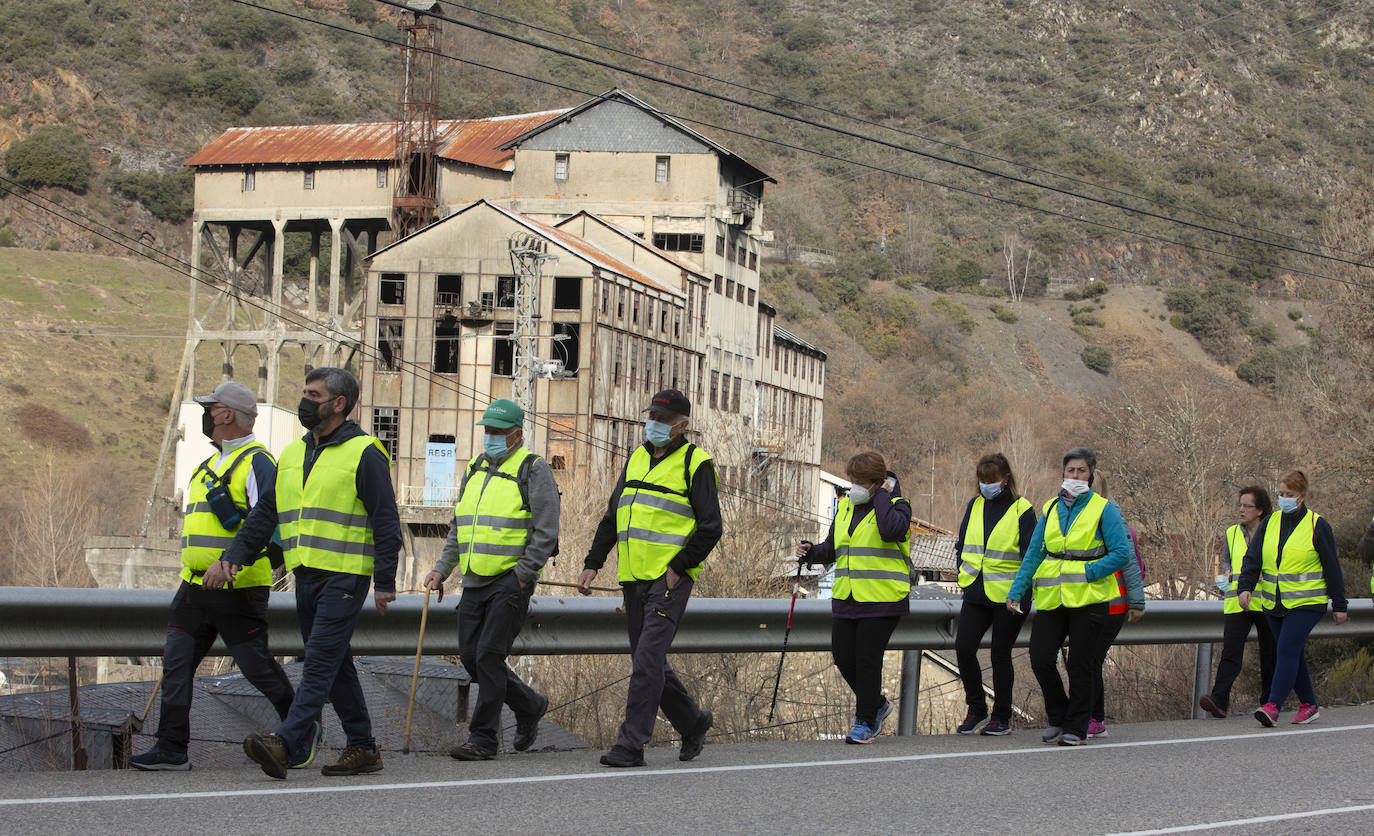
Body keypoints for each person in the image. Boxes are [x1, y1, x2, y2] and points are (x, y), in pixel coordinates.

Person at [215, 367, 403, 779]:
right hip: (307, 574)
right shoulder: (293, 452)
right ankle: (362, 747)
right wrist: (236, 553)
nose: (305, 401)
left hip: (346, 575)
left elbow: (386, 520)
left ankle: (287, 740)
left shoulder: (364, 452)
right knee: (335, 663)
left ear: (338, 404)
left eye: (313, 394)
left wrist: (385, 581)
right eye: (304, 392)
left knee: (318, 660)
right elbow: (267, 512)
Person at [130, 381, 299, 771]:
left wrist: (230, 565)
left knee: (256, 667)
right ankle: (172, 748)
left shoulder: (259, 462)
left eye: (211, 408)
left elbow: (271, 527)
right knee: (176, 664)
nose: (206, 414)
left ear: (226, 415)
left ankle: (300, 729)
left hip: (237, 588)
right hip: (192, 587)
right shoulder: (209, 464)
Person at [577, 389, 722, 768]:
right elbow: (613, 517)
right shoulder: (638, 457)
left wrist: (679, 567)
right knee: (649, 661)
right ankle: (692, 722)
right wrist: (593, 562)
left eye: (663, 419)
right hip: (633, 577)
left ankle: (631, 745)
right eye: (652, 416)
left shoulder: (697, 463)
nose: (654, 424)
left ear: (682, 425)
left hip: (668, 579)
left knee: (646, 662)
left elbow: (711, 527)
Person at [423, 399, 558, 760]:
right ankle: (529, 704)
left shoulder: (534, 469)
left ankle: (483, 739)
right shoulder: (476, 467)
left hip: (509, 582)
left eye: (498, 432)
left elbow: (546, 532)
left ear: (517, 433)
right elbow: (459, 525)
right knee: (471, 657)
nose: (491, 437)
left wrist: (522, 576)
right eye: (487, 431)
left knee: (488, 655)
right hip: (473, 579)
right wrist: (442, 568)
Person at [1007, 447, 1134, 746]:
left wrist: (1090, 572)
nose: (1075, 476)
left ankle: (1077, 727)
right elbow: (1035, 553)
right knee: (1039, 658)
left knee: (1081, 664)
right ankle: (1059, 716)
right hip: (1053, 597)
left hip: (1089, 598)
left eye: (1081, 471)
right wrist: (1017, 590)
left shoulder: (1104, 509)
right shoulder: (1050, 507)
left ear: (1090, 475)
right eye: (1070, 471)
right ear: (1063, 473)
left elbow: (1121, 554)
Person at [798, 451, 913, 744]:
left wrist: (884, 496)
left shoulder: (899, 507)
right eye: (852, 481)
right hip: (847, 597)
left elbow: (889, 531)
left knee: (866, 659)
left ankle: (865, 722)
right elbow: (833, 547)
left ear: (878, 482)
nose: (854, 487)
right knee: (842, 657)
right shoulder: (847, 507)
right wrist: (811, 552)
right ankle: (876, 704)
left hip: (883, 598)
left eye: (860, 481)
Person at [1237, 471, 1347, 727]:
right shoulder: (1270, 523)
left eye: (1290, 495)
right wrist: (1246, 588)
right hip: (1274, 602)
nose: (1284, 499)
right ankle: (1308, 705)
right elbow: (1253, 559)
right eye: (1281, 494)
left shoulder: (1317, 525)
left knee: (1285, 649)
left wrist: (1339, 604)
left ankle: (1272, 706)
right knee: (1291, 653)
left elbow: (1332, 567)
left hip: (1307, 603)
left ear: (1302, 496)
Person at [951, 453, 1035, 736]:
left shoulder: (1022, 509)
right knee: (963, 648)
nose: (986, 485)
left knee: (1000, 654)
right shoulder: (975, 505)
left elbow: (1029, 556)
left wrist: (1020, 594)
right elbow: (962, 545)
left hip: (1009, 596)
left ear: (1005, 479)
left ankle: (1001, 717)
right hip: (975, 591)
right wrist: (962, 573)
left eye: (991, 480)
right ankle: (976, 709)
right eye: (982, 480)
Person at [1199, 486, 1277, 719]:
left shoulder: (1273, 532)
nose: (1241, 510)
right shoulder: (1232, 533)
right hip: (1237, 603)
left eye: (1247, 506)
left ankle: (1269, 703)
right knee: (1230, 654)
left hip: (1266, 602)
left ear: (1260, 510)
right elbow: (1226, 563)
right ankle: (1218, 700)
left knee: (1269, 654)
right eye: (1240, 505)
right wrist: (1226, 576)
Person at [1085, 476, 1145, 739]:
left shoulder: (1112, 519)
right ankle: (1090, 716)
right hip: (1091, 601)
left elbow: (1129, 562)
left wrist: (1136, 601)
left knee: (1091, 659)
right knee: (1088, 660)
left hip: (1112, 602)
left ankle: (1095, 718)